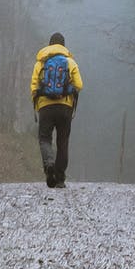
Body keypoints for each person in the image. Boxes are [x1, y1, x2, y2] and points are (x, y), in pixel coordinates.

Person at [29, 32, 83, 189]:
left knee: (45, 138)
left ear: (49, 45)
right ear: (63, 46)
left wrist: (41, 95)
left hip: (46, 107)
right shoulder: (70, 62)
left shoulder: (40, 63)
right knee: (62, 141)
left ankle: (49, 163)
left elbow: (33, 87)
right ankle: (60, 179)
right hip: (65, 107)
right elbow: (79, 85)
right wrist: (66, 90)